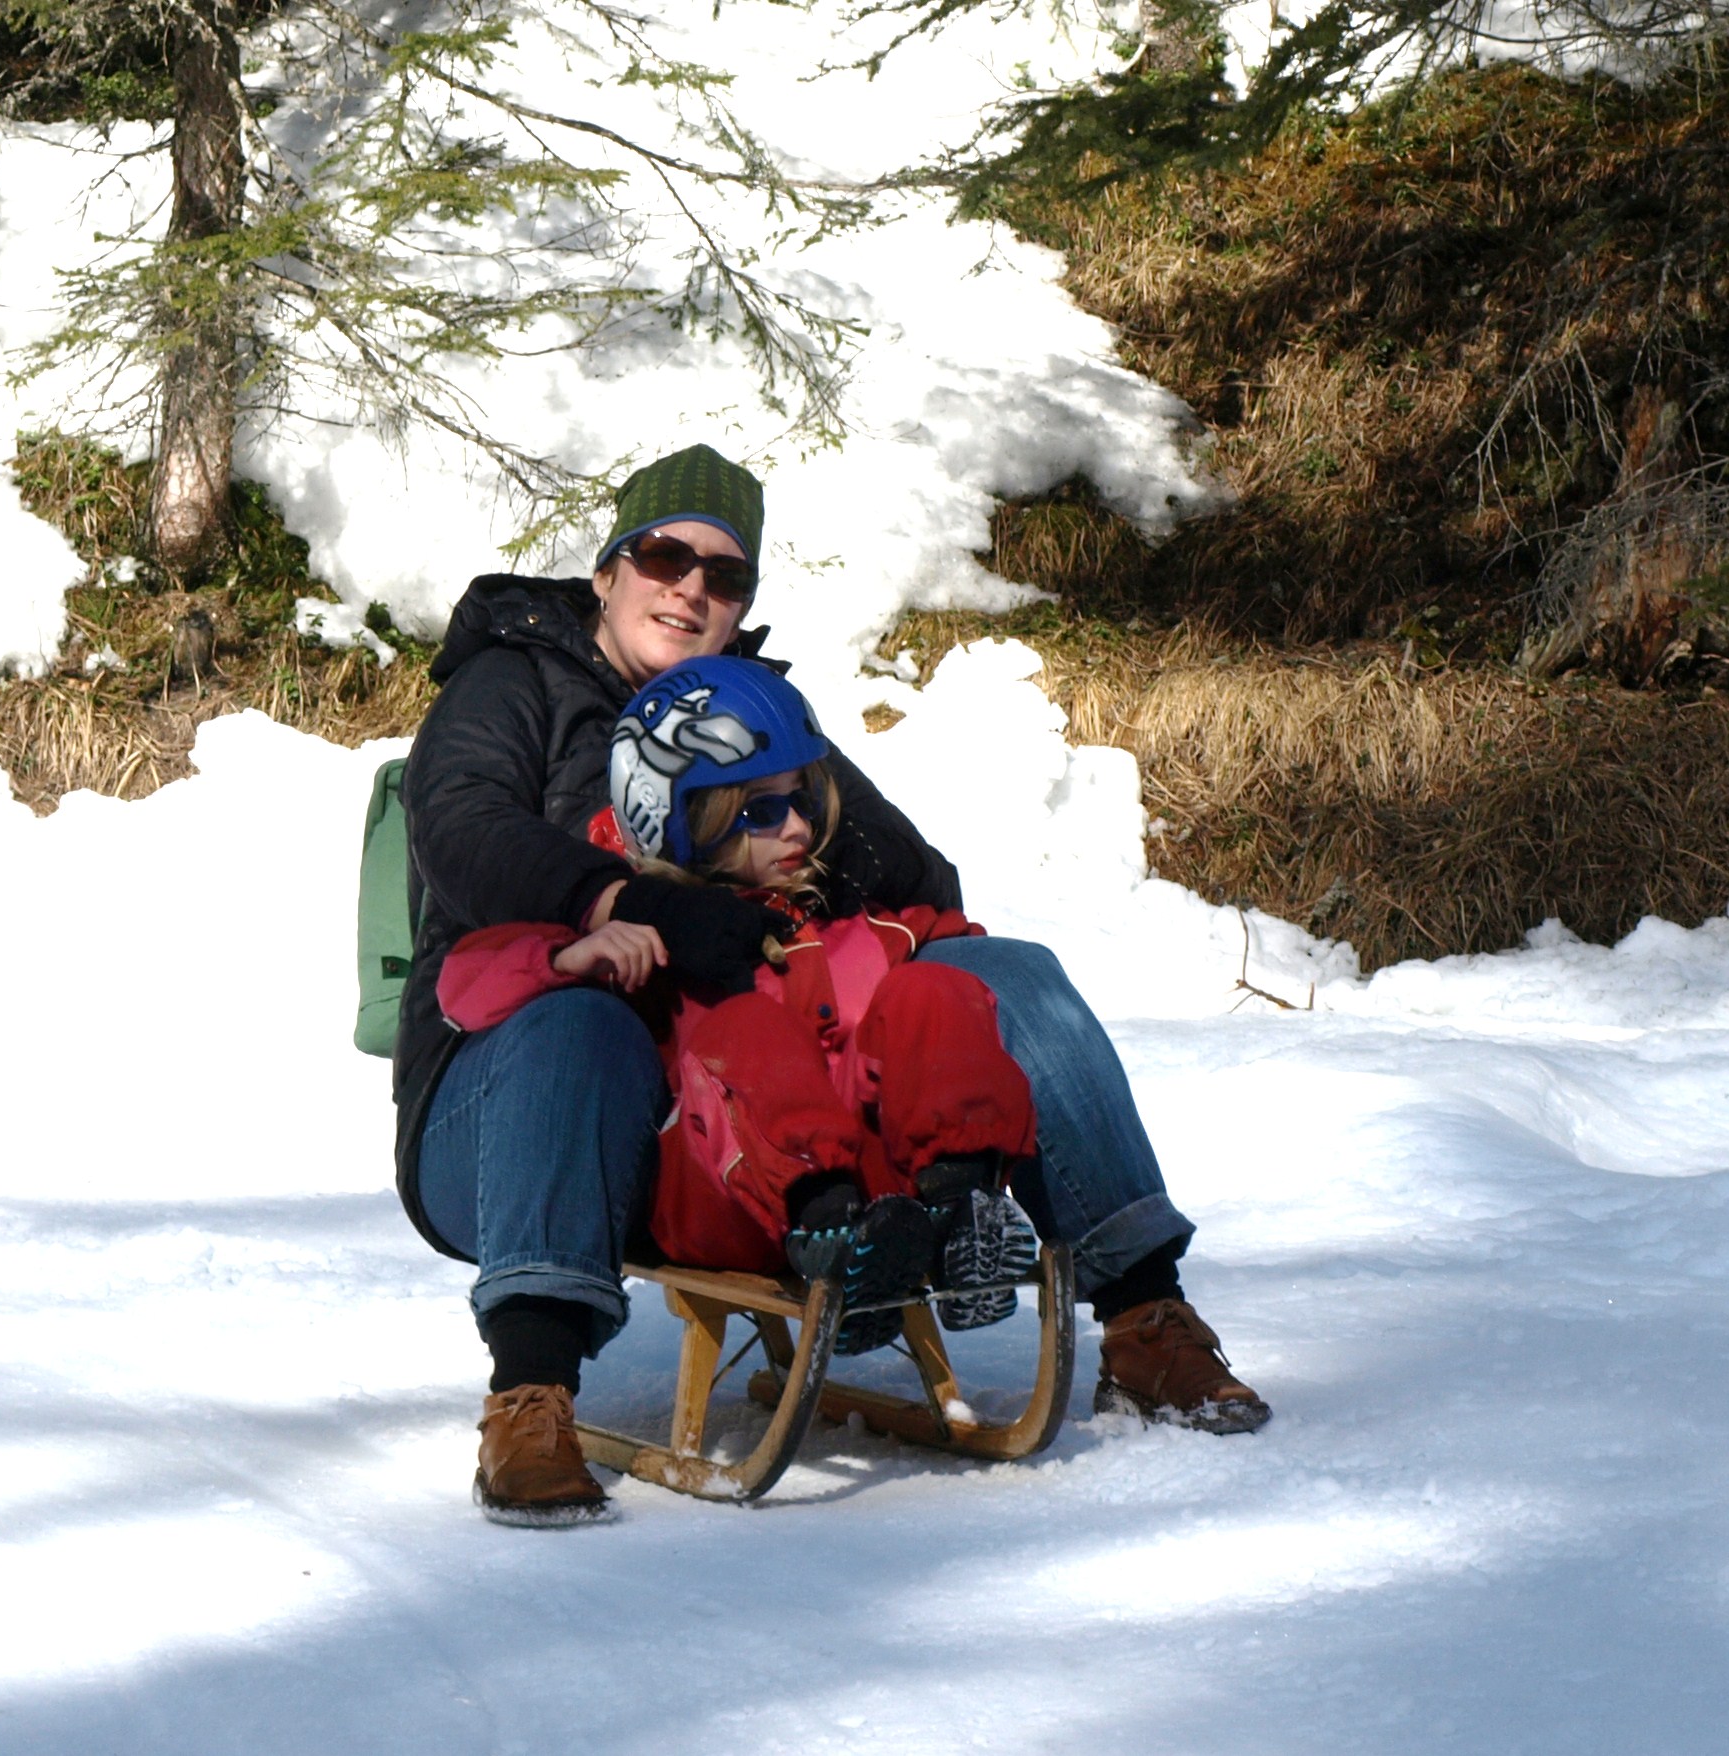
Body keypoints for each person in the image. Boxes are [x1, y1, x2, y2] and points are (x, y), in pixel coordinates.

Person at [397, 443, 1267, 1527]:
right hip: (511, 1107)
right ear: (609, 571)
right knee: (582, 1026)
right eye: (665, 558)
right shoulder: (513, 681)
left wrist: (765, 828)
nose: (690, 589)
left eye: (724, 576)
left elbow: (912, 875)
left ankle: (1144, 1317)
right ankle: (529, 1398)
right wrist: (632, 900)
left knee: (1000, 973)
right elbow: (462, 833)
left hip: (754, 1106)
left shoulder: (757, 711)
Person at [435, 655, 1047, 1357]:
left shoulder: (851, 925)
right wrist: (566, 958)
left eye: (804, 801)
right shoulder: (653, 942)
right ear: (681, 820)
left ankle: (960, 1213)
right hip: (718, 1193)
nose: (797, 828)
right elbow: (466, 987)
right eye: (762, 811)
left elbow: (956, 965)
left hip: (875, 1195)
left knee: (933, 989)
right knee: (748, 1028)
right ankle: (831, 1238)